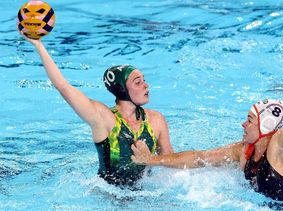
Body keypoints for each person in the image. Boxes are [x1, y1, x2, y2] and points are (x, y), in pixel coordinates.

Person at [130, 57, 283, 203]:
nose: (244, 124)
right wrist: (152, 160)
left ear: (265, 126)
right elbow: (199, 158)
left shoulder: (282, 147)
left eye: (250, 120)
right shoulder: (243, 151)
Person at [19, 33, 174, 186]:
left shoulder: (156, 120)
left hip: (145, 193)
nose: (146, 85)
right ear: (121, 89)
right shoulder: (104, 119)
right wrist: (39, 45)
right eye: (137, 82)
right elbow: (63, 87)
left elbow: (170, 164)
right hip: (109, 197)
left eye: (144, 80)